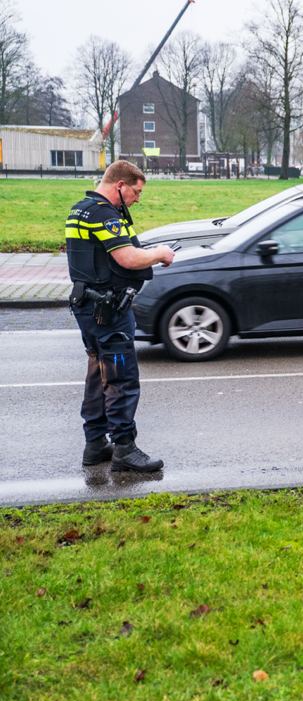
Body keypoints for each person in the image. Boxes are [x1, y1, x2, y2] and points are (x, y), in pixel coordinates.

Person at [65, 161, 175, 472]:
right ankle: (124, 448)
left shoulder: (80, 209)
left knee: (98, 375)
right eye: (136, 192)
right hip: (109, 312)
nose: (138, 198)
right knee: (120, 378)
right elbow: (126, 257)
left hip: (89, 307)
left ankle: (96, 443)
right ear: (120, 186)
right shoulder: (103, 213)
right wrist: (159, 253)